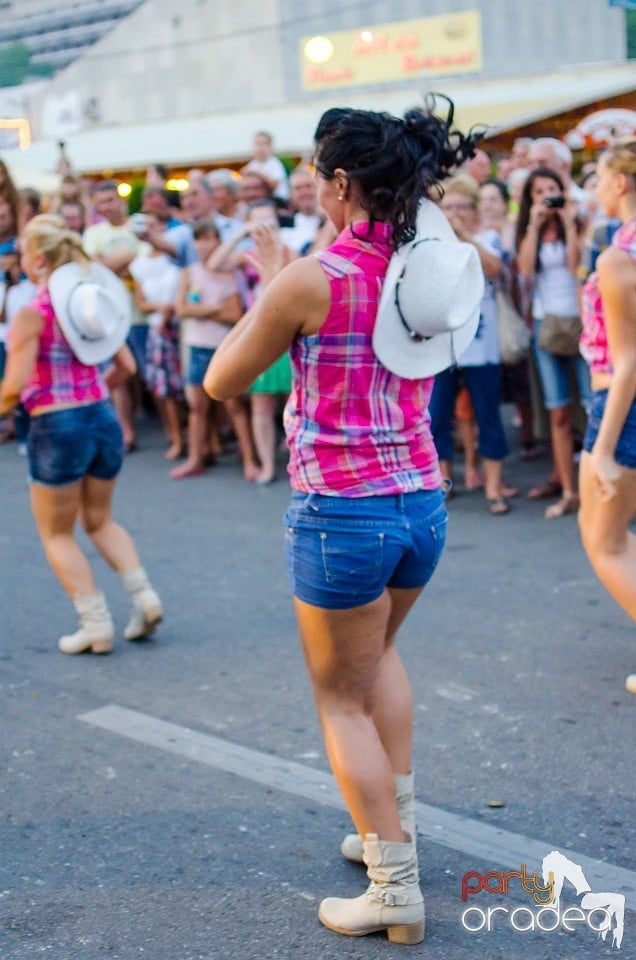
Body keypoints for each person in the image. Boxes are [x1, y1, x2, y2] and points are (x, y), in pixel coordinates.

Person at [204, 100, 480, 943]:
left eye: (318, 175)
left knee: (340, 701)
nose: (312, 186)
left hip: (342, 514)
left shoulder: (310, 278)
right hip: (421, 503)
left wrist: (278, 283)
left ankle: (394, 887)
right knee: (381, 660)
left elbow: (221, 379)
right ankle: (385, 833)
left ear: (342, 184)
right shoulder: (427, 267)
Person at [0, 215, 163, 654]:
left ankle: (95, 625)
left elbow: (13, 386)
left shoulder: (32, 314)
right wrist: (90, 394)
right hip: (102, 417)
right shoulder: (90, 301)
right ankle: (144, 597)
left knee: (57, 532)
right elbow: (126, 368)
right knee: (100, 519)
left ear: (36, 260)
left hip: (56, 424)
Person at [578, 141, 636, 686]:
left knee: (605, 541)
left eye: (597, 177)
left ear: (621, 182)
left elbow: (628, 361)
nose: (593, 187)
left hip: (621, 403)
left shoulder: (620, 257)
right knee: (616, 535)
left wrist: (602, 447)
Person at [430, 175, 513, 514]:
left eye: (461, 206)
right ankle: (444, 481)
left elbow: (494, 268)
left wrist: (462, 235)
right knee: (436, 416)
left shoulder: (486, 237)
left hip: (482, 342)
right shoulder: (432, 242)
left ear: (474, 209)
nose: (454, 213)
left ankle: (494, 486)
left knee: (487, 414)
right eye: (448, 207)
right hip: (443, 345)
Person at [516, 167, 591, 517]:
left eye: (552, 189)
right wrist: (534, 224)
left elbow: (577, 266)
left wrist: (570, 222)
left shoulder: (576, 223)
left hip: (582, 323)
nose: (547, 196)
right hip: (547, 325)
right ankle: (569, 489)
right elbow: (526, 271)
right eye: (539, 192)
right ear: (530, 199)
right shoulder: (529, 229)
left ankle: (596, 488)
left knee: (594, 408)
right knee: (558, 410)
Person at [171, 219, 251, 479]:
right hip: (196, 346)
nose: (204, 244)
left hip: (222, 347)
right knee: (197, 407)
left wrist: (200, 312)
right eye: (199, 239)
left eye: (209, 238)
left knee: (233, 406)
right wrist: (216, 308)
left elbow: (235, 313)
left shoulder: (228, 271)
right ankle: (195, 458)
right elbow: (181, 309)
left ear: (218, 241)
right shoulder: (189, 272)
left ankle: (249, 460)